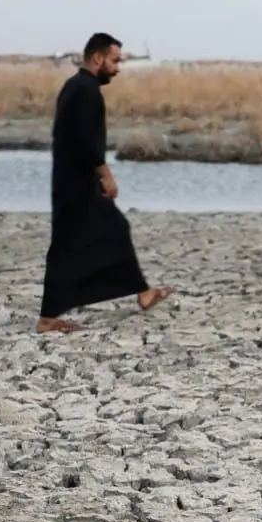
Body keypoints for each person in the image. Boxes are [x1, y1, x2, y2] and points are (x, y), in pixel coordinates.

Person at [36, 32, 174, 333]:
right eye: (114, 61)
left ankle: (143, 292)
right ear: (97, 58)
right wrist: (106, 175)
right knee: (73, 244)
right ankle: (48, 318)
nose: (117, 68)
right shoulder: (86, 90)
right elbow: (86, 141)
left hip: (72, 179)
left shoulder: (75, 85)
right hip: (77, 182)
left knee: (110, 231)